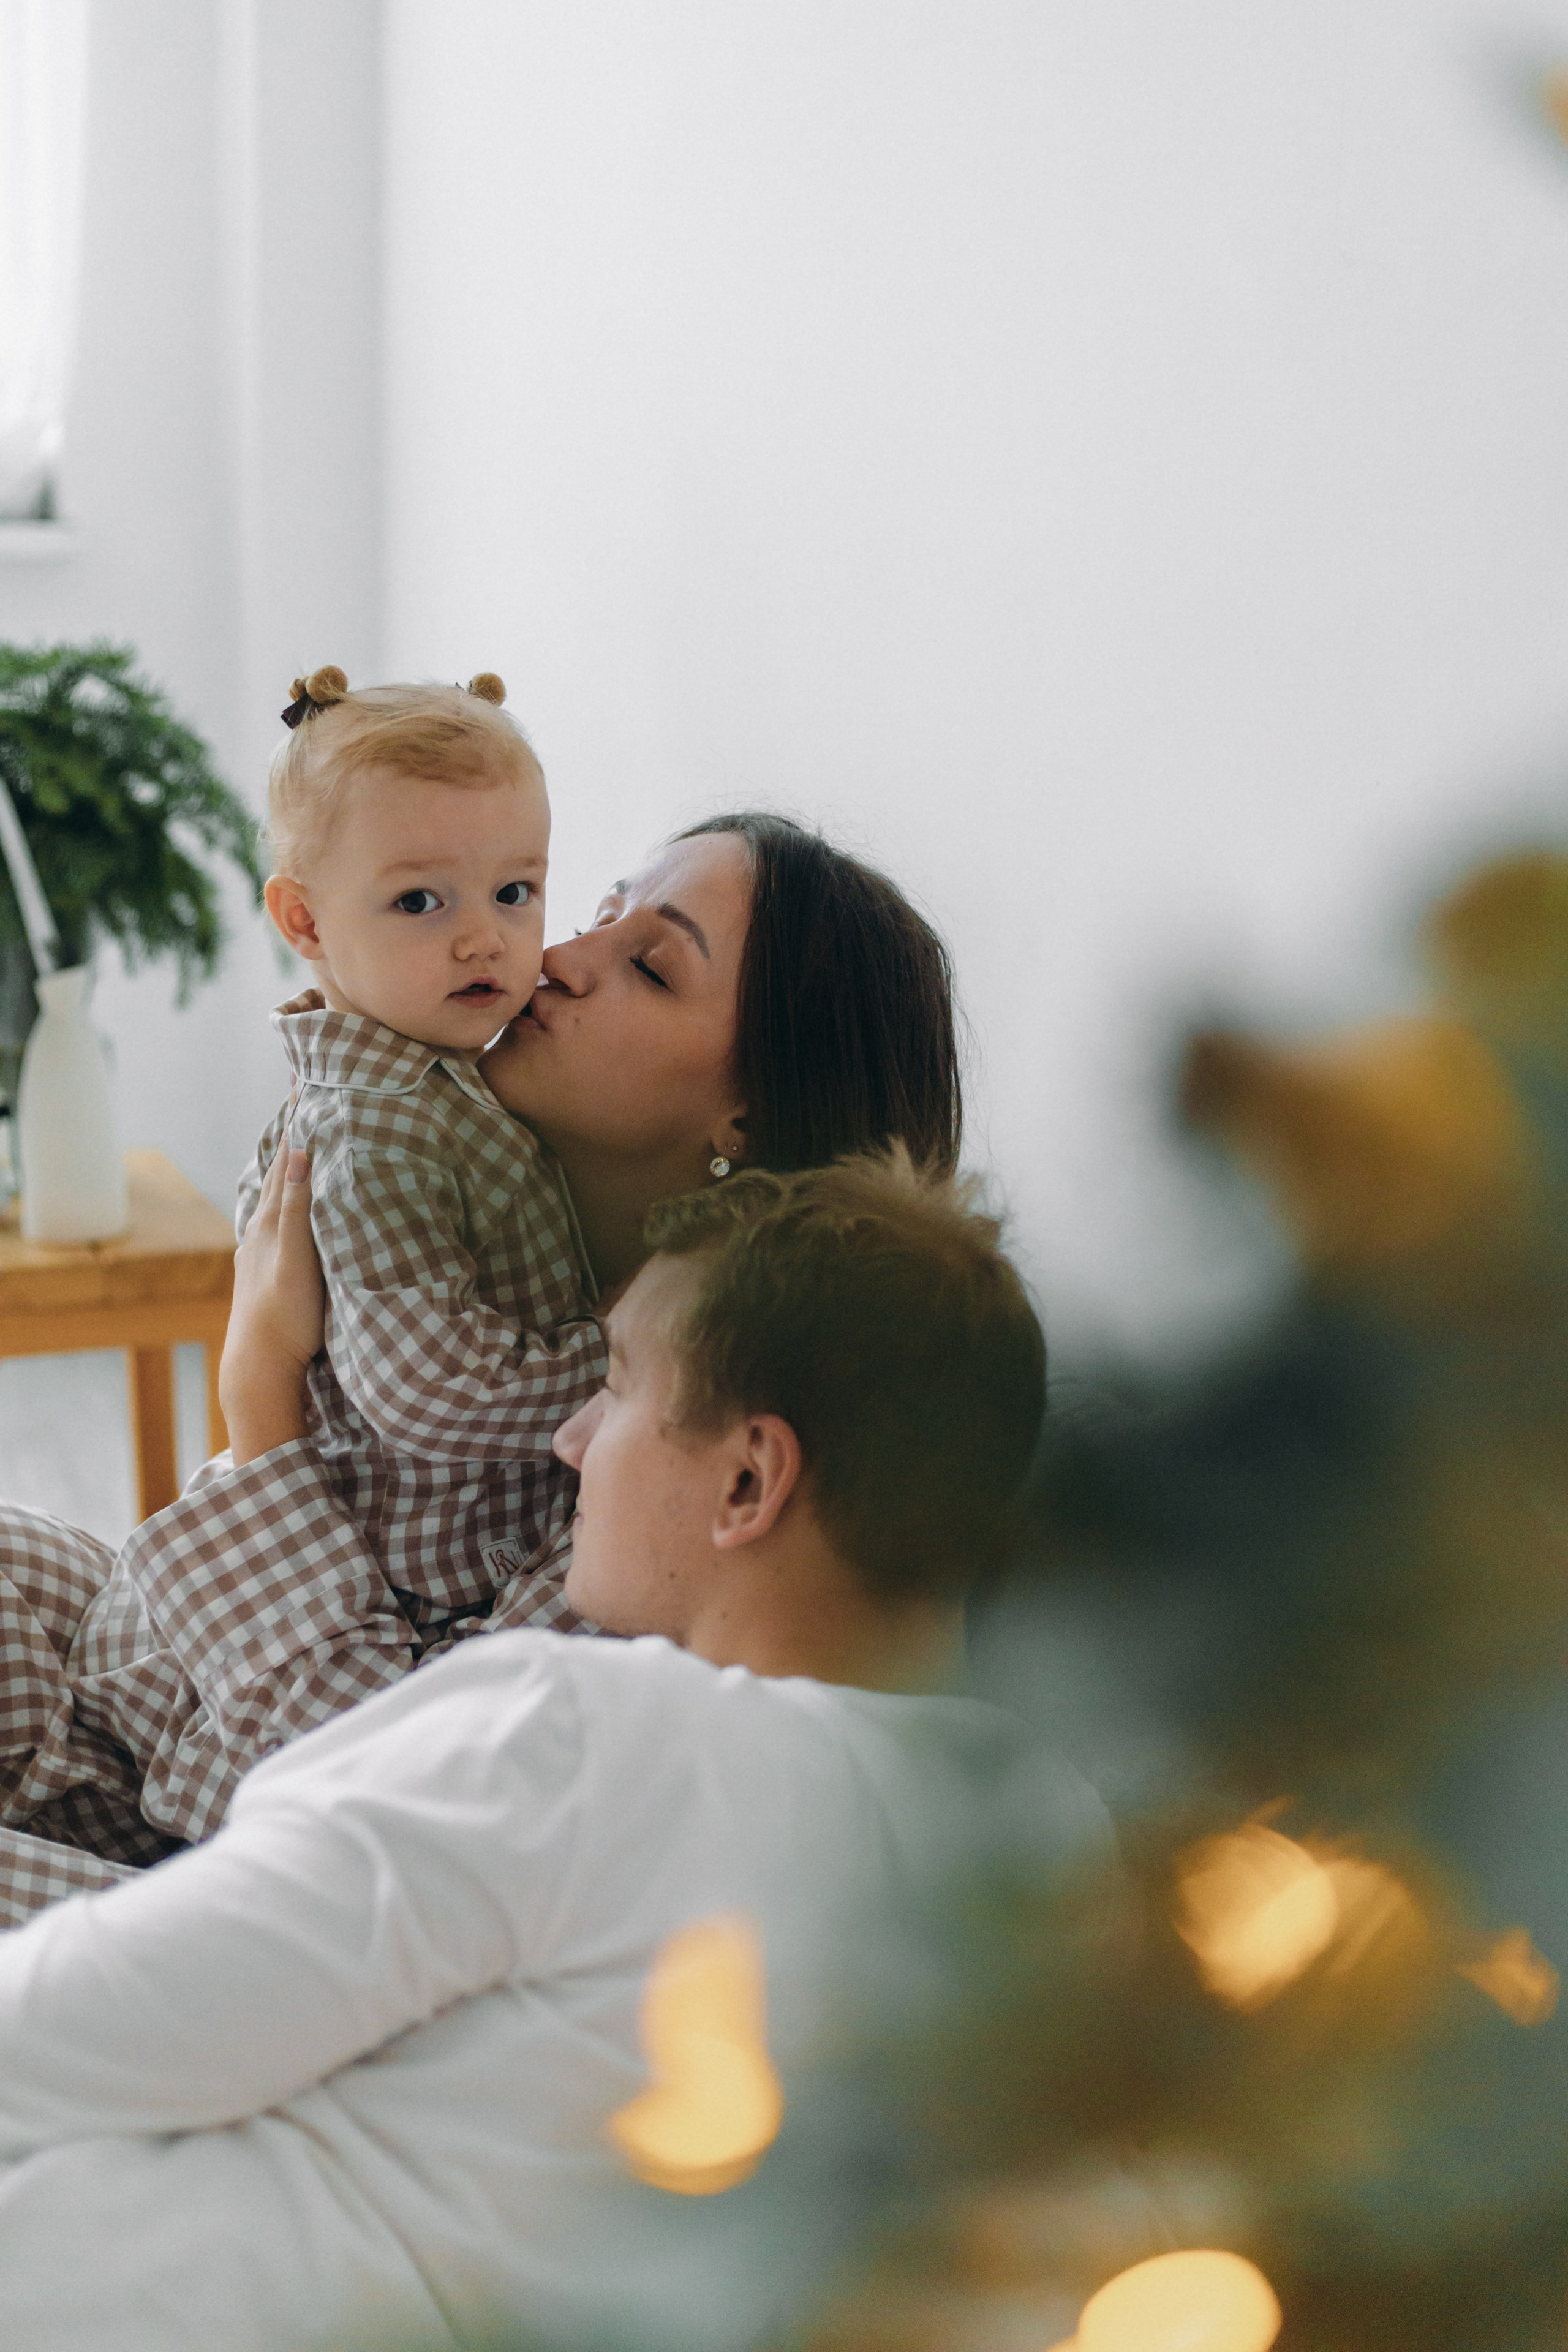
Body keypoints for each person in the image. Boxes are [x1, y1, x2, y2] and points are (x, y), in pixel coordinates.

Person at [0, 1154, 1096, 2352]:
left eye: (617, 1386)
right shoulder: (1054, 1849)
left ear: (747, 1479)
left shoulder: (582, 1735)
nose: (574, 1440)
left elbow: (53, 2035)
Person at [0, 814, 962, 1915]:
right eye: (596, 914)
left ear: (750, 1111)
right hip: (134, 1689)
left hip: (214, 1849)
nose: (553, 959)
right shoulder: (458, 1200)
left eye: (647, 966)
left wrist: (257, 1402)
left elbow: (391, 1797)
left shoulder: (672, 1447)